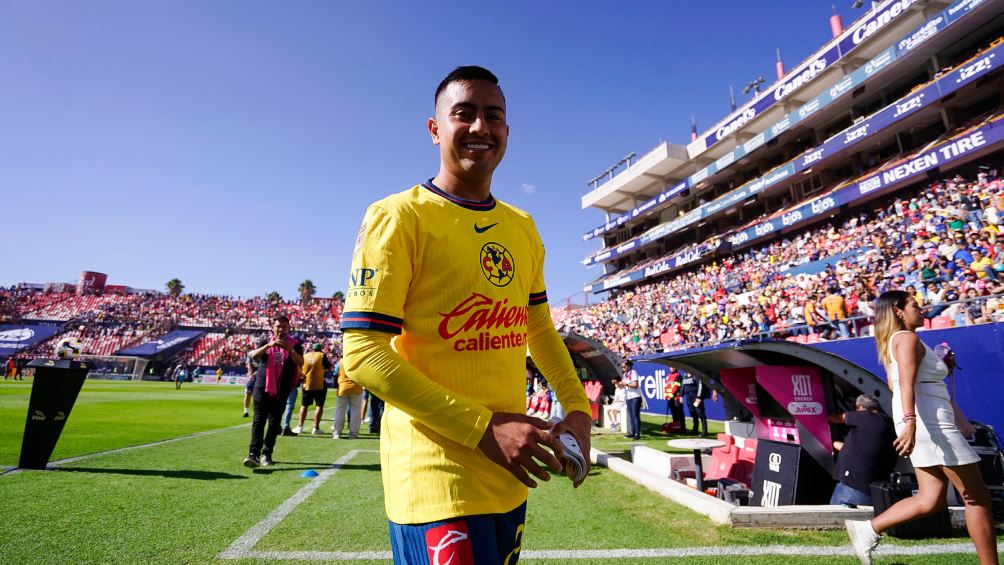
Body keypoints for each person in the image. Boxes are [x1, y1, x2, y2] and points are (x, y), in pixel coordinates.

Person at [340, 65, 592, 564]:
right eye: (464, 114)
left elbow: (537, 327)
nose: (480, 127)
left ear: (507, 131)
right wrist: (483, 429)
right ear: (435, 129)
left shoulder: (521, 226)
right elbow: (364, 355)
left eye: (493, 116)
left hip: (508, 476)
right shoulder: (398, 216)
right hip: (436, 479)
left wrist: (578, 408)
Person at [844, 291, 997, 564]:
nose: (921, 308)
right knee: (976, 497)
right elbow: (905, 382)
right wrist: (911, 423)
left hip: (926, 422)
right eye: (914, 305)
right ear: (898, 311)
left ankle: (868, 529)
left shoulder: (898, 341)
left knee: (931, 499)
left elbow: (898, 384)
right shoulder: (907, 338)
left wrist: (940, 369)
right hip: (929, 424)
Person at [243, 315, 303, 468]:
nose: (281, 329)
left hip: (282, 389)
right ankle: (253, 454)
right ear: (273, 328)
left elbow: (301, 362)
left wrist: (290, 350)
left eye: (284, 326)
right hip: (262, 387)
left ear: (289, 328)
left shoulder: (295, 344)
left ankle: (267, 453)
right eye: (278, 326)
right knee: (258, 421)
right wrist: (269, 345)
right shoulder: (265, 341)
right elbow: (254, 356)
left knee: (275, 423)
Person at [827, 394, 896, 507]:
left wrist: (822, 418)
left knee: (835, 521)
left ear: (861, 408)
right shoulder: (886, 424)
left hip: (853, 487)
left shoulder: (866, 416)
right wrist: (833, 443)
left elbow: (838, 418)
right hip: (874, 488)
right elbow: (858, 450)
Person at [294, 343, 332, 435]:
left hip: (307, 384)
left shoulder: (305, 356)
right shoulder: (322, 355)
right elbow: (330, 367)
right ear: (320, 349)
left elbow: (298, 366)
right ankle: (316, 428)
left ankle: (300, 426)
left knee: (304, 405)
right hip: (320, 384)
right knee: (319, 406)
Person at [331, 358, 362, 439]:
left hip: (343, 387)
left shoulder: (341, 361)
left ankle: (337, 432)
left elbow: (335, 373)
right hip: (356, 387)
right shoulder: (358, 359)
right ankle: (353, 433)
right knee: (356, 411)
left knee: (340, 411)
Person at [681, 370, 710, 437]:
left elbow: (700, 386)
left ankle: (704, 431)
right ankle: (695, 430)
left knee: (700, 414)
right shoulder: (685, 376)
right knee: (693, 414)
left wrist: (699, 397)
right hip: (689, 398)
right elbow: (683, 387)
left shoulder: (695, 374)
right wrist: (681, 396)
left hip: (696, 398)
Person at [622, 360, 643, 440]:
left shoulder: (633, 372)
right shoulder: (624, 374)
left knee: (635, 415)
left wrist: (626, 384)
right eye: (622, 367)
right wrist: (621, 385)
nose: (623, 368)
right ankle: (633, 432)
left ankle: (637, 434)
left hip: (635, 396)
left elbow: (635, 385)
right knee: (631, 416)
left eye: (624, 366)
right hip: (628, 396)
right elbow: (625, 385)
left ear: (629, 366)